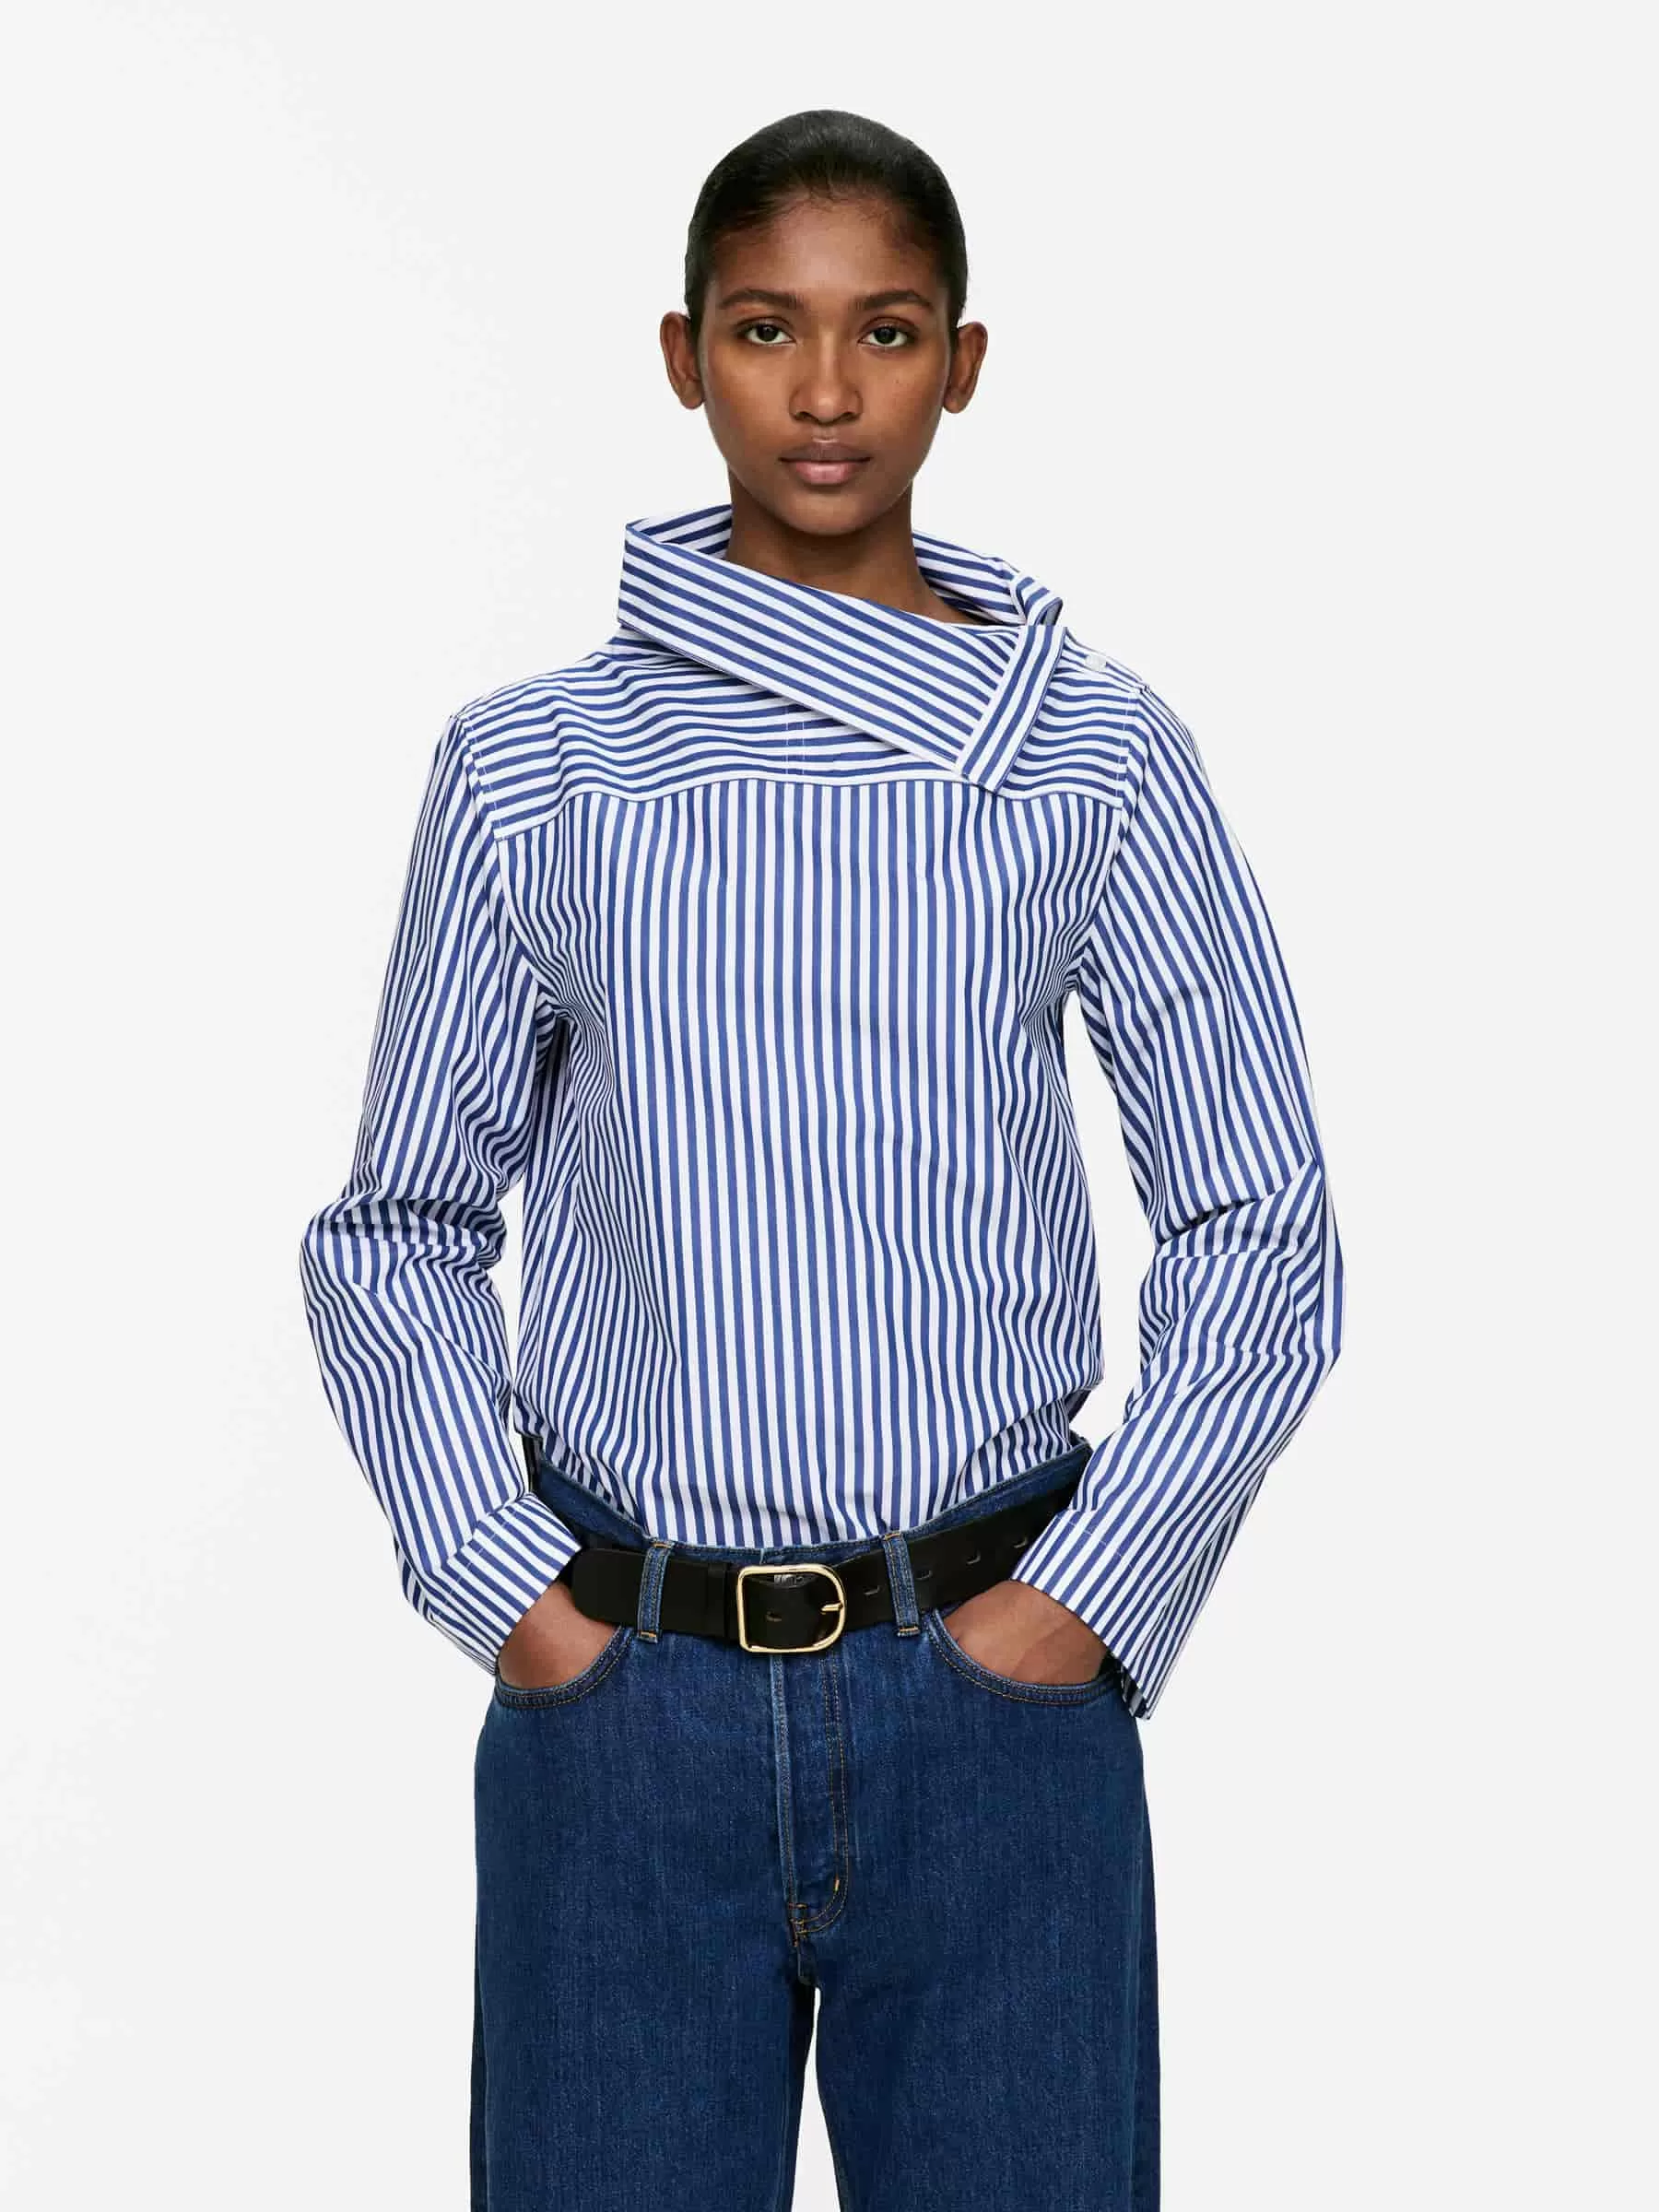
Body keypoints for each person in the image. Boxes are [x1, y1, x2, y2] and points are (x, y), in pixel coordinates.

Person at [299, 106, 1345, 2212]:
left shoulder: (1089, 752)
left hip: (991, 1693)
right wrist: (517, 1602)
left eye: (886, 330)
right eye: (770, 328)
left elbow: (1259, 1217)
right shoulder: (534, 767)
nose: (828, 390)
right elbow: (398, 1224)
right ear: (684, 355)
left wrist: (1082, 1607)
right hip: (629, 1702)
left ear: (964, 362)